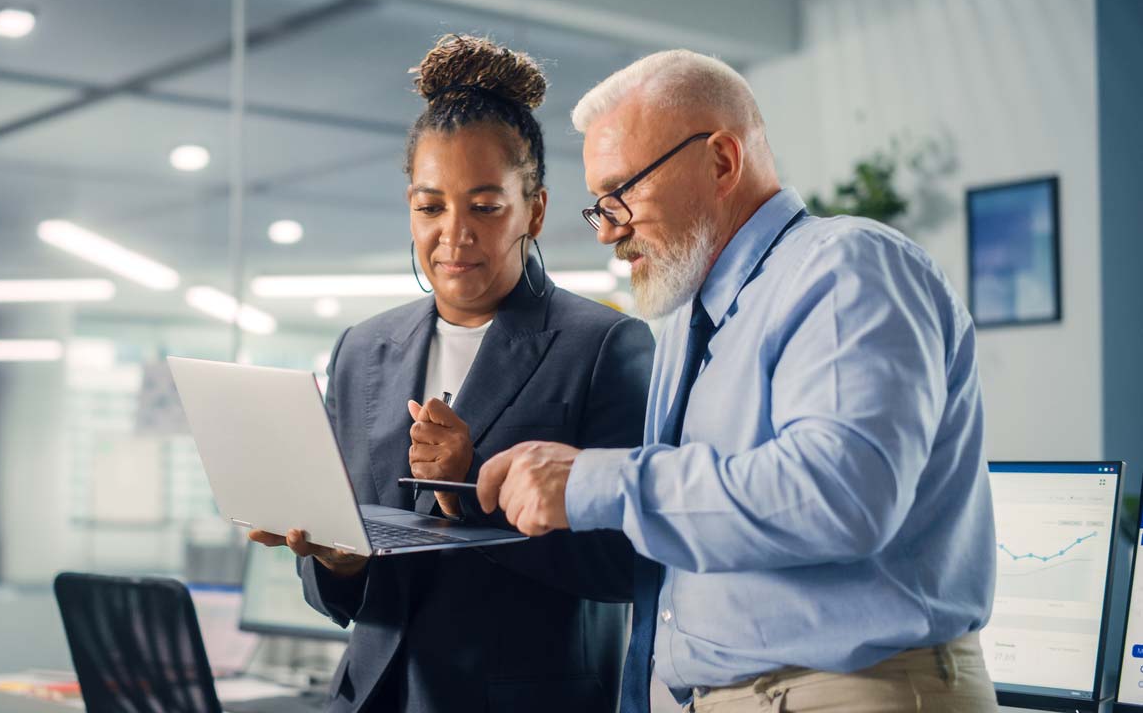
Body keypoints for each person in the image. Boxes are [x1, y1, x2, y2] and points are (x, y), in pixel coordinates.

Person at [476, 49, 999, 712]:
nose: (608, 230)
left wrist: (593, 480)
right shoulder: (686, 328)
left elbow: (837, 495)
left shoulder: (844, 269)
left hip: (853, 693)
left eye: (621, 192)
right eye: (597, 205)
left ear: (721, 161)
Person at [248, 35, 654, 713]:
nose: (453, 234)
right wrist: (333, 557)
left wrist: (469, 487)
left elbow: (628, 564)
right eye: (430, 206)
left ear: (536, 210)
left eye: (485, 206)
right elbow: (341, 588)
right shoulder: (362, 349)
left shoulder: (605, 345)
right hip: (371, 697)